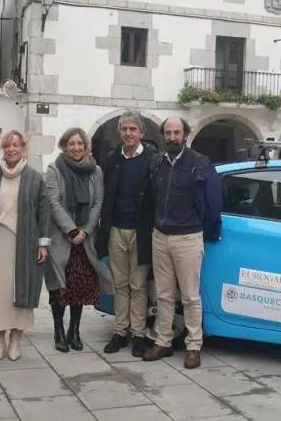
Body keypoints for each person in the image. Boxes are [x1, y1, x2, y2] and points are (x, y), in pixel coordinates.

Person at [142, 117, 221, 369]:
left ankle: (194, 345)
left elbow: (214, 204)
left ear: (185, 135)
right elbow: (152, 198)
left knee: (190, 296)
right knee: (163, 295)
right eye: (168, 132)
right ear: (163, 135)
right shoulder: (157, 163)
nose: (172, 137)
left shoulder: (200, 163)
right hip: (160, 236)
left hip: (188, 238)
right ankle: (163, 341)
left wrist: (201, 232)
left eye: (177, 132)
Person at [0, 131, 50, 362]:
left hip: (24, 243)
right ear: (3, 149)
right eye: (7, 146)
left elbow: (43, 212)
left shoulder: (35, 178)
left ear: (23, 149)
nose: (12, 149)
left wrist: (42, 244)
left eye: (16, 145)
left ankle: (15, 340)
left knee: (21, 291)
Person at [44, 127, 112, 352]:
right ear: (65, 146)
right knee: (59, 288)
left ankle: (74, 331)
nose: (76, 147)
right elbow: (53, 203)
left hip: (85, 240)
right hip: (62, 239)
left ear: (86, 146)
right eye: (71, 143)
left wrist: (85, 230)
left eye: (79, 143)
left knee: (80, 285)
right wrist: (72, 231)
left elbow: (97, 204)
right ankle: (58, 332)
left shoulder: (96, 171)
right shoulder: (54, 169)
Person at [98, 110, 156, 357]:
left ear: (141, 133)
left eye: (133, 129)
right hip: (116, 230)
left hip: (141, 231)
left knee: (139, 285)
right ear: (120, 132)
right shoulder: (112, 160)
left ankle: (139, 335)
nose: (129, 133)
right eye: (125, 129)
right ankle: (120, 332)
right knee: (120, 284)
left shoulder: (153, 159)